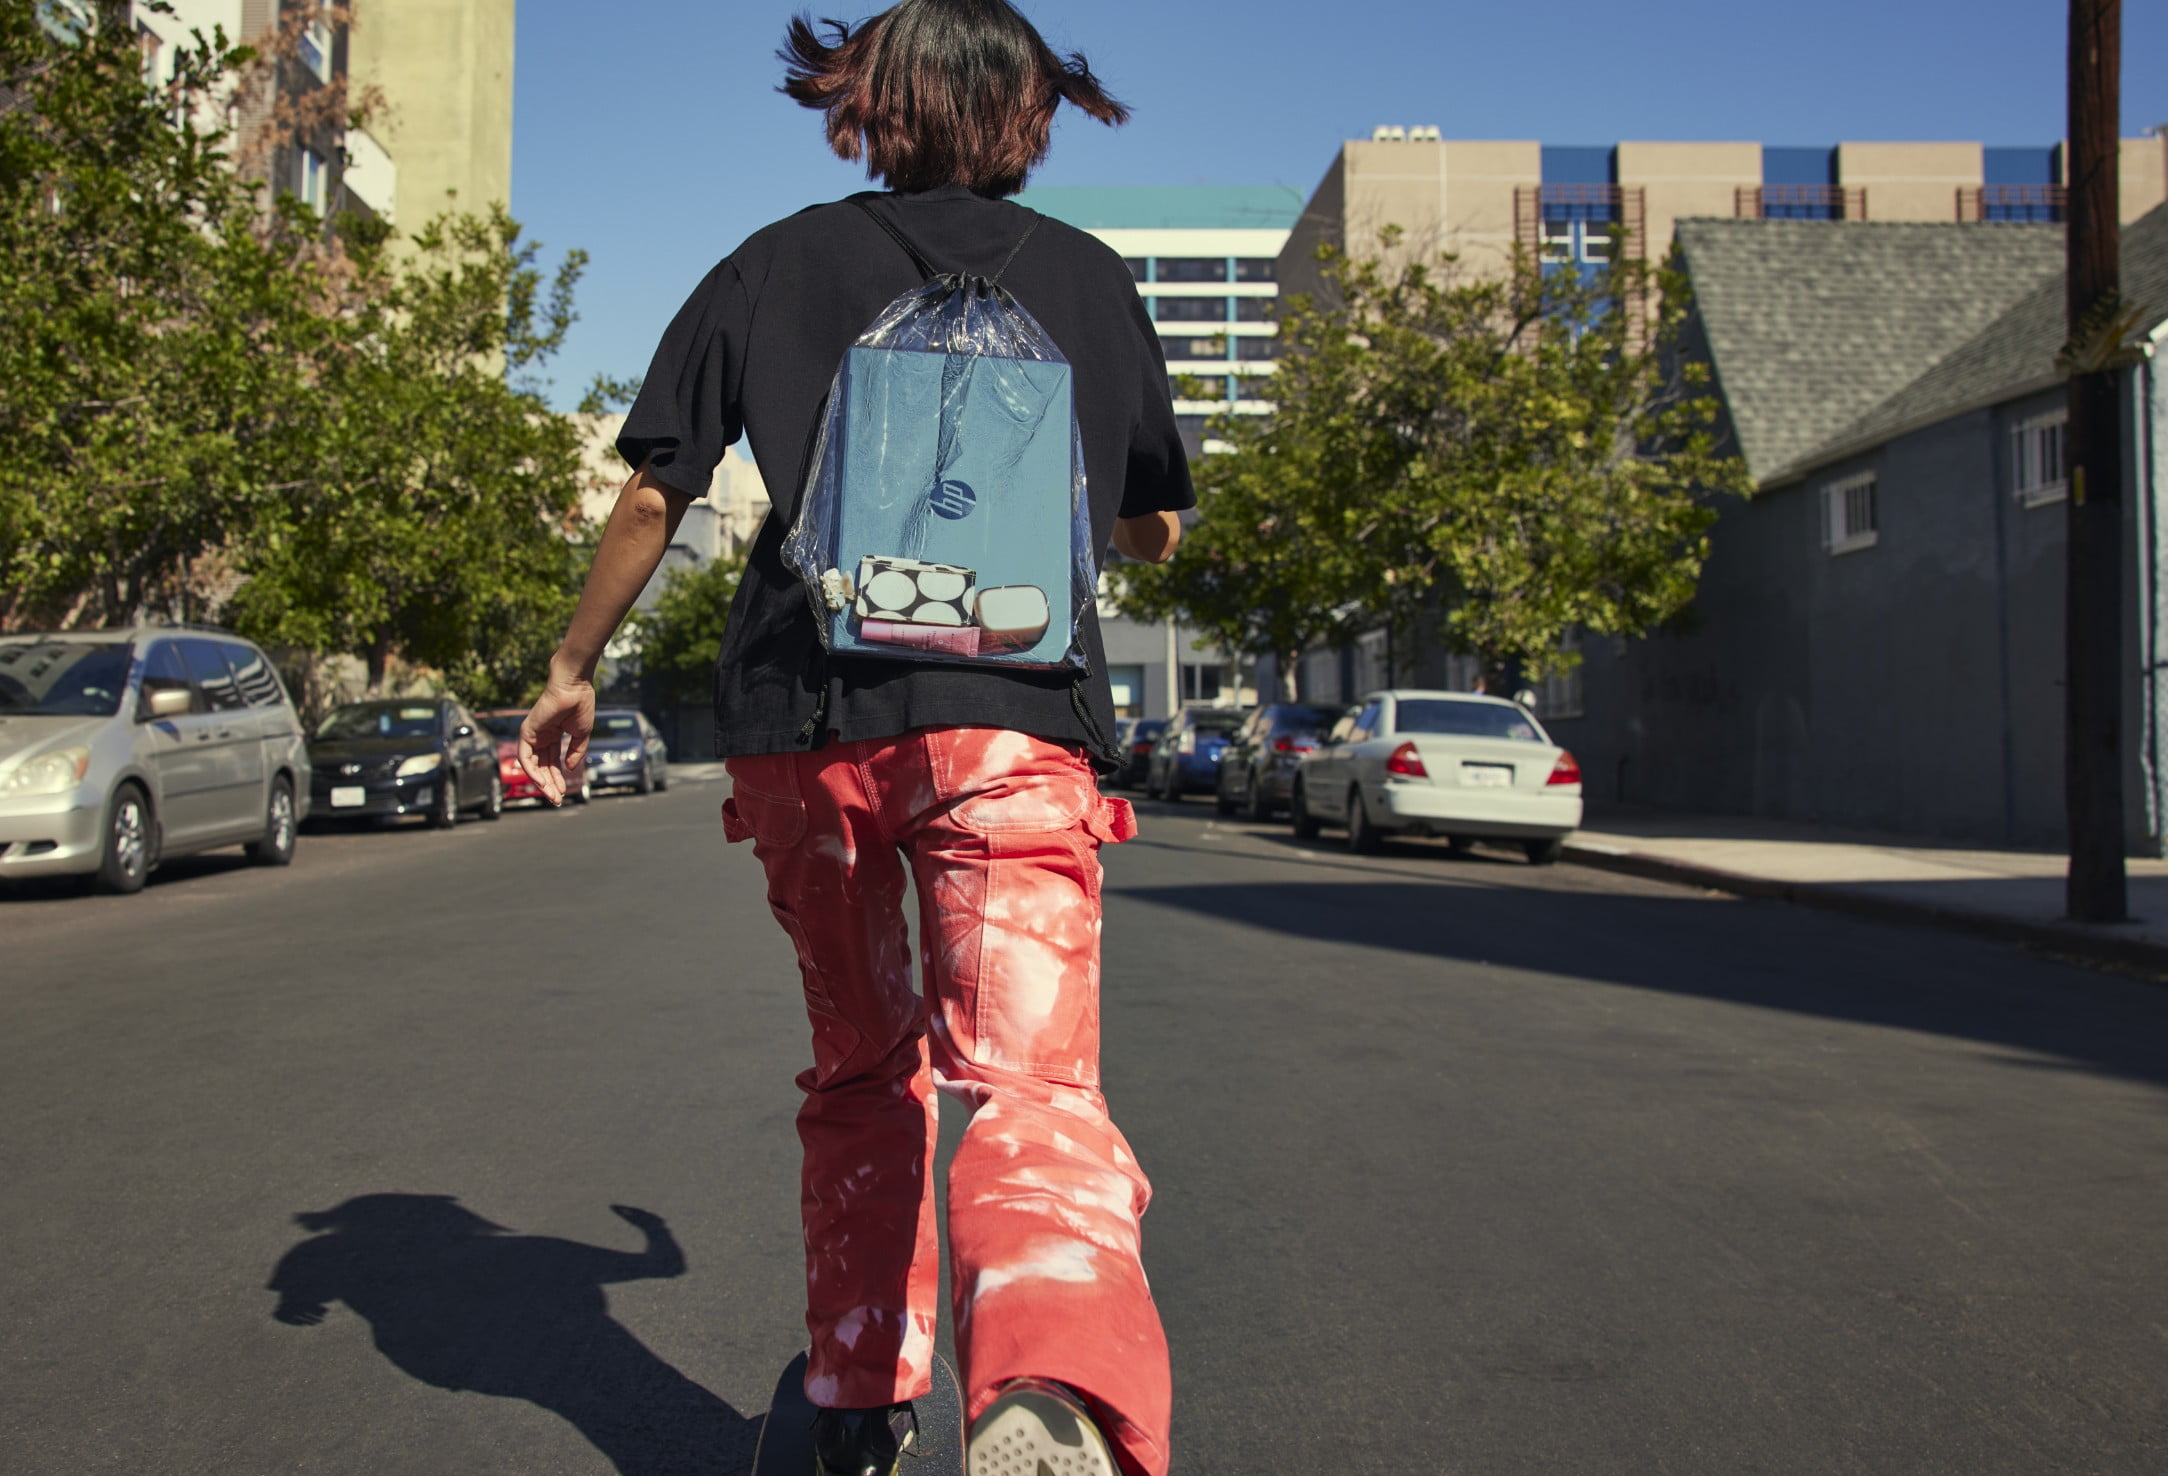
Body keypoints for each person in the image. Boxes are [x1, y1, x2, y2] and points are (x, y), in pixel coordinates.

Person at [518, 5, 1189, 1474]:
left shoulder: (773, 261)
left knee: (865, 1067)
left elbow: (653, 493)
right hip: (1009, 732)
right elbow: (1148, 520)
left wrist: (574, 666)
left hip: (804, 731)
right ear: (1030, 114)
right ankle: (1043, 1384)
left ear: (867, 106)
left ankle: (854, 1402)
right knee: (1027, 1081)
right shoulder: (1088, 279)